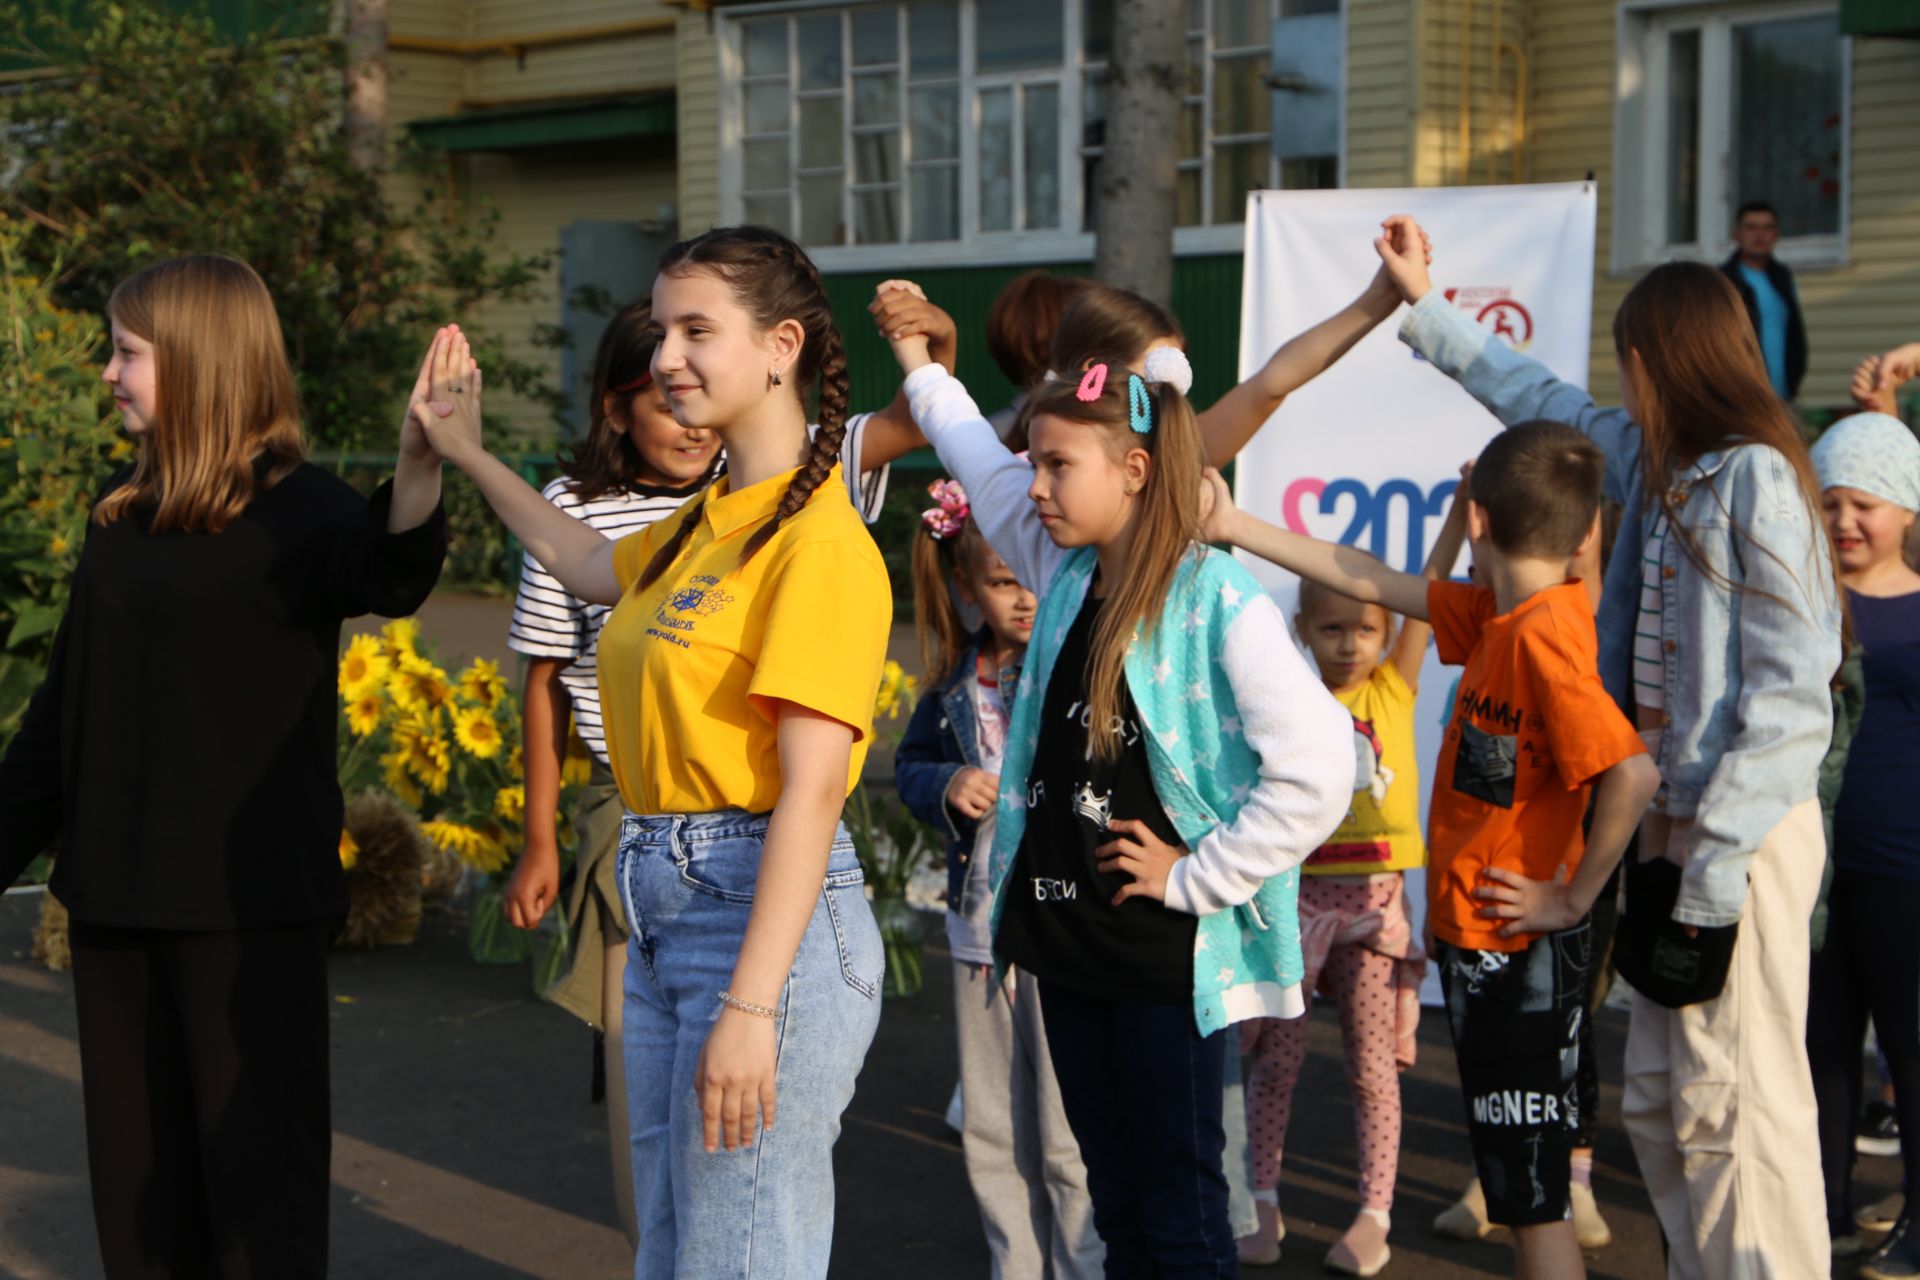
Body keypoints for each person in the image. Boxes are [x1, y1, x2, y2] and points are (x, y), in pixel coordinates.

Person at [412, 226, 894, 1278]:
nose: (666, 355)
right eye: (661, 327)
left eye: (695, 330)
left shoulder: (820, 544)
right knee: (675, 1249)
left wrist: (753, 1004)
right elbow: (581, 556)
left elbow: (811, 792)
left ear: (781, 347)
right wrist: (467, 452)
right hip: (667, 901)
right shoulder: (708, 519)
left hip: (761, 922)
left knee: (739, 1255)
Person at [1381, 219, 1845, 1279]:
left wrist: (1710, 874)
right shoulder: (1658, 457)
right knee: (1663, 1099)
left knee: (1738, 1108)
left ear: (1653, 358)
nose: (1616, 388)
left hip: (1738, 838)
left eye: (1624, 361)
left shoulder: (1755, 480)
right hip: (1672, 836)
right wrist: (1424, 307)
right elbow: (1542, 404)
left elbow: (1788, 704)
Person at [0, 255, 449, 1277]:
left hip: (251, 916)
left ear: (202, 360)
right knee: (141, 1206)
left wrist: (419, 464)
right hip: (116, 903)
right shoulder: (123, 509)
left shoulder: (306, 511)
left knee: (260, 1203)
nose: (109, 372)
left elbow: (389, 571)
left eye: (127, 352)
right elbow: (58, 717)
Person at [886, 329, 1355, 1273]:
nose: (1037, 487)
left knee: (1179, 1210)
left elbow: (1320, 765)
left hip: (1160, 962)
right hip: (1068, 954)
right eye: (1035, 465)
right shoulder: (1065, 569)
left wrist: (1199, 875)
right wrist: (922, 367)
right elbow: (977, 460)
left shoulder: (1212, 598)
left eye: (1058, 466)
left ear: (1135, 469)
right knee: (1118, 1204)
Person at [1204, 421, 1660, 1280]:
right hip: (1485, 943)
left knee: (1531, 1193)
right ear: (1587, 534)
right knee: (1522, 1182)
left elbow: (1630, 774)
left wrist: (1571, 897)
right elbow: (1370, 578)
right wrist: (1237, 527)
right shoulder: (1503, 611)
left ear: (1477, 522)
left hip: (1514, 950)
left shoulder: (1540, 638)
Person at [1235, 465, 1467, 1275]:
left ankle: (1375, 1214)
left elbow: (1430, 589)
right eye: (1331, 630)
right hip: (1298, 902)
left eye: (1364, 630)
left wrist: (1462, 516)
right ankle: (1257, 1198)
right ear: (1303, 631)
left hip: (1373, 903)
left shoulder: (1396, 688)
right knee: (1278, 1059)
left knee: (1374, 1068)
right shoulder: (1290, 697)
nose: (1350, 644)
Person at [894, 481, 1103, 1280]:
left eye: (1032, 578)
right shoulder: (951, 686)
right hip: (979, 938)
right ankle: (1015, 1266)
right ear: (966, 590)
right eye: (1003, 581)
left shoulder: (1080, 671)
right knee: (990, 1127)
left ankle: (1085, 1266)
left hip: (1062, 936)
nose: (1022, 599)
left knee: (1066, 1129)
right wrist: (946, 782)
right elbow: (911, 768)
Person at [1807, 412, 1920, 1276]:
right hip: (1812, 859)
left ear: (1907, 510)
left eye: (1865, 504)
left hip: (1905, 862)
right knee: (1823, 1037)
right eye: (1830, 501)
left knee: (1909, 1044)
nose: (1846, 520)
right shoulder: (1802, 598)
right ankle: (1825, 1205)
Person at [1719, 201, 1809, 402]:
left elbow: (1794, 333)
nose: (1759, 235)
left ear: (1776, 234)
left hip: (1784, 397)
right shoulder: (1723, 280)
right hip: (1742, 398)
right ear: (1737, 234)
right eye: (1751, 227)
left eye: (1767, 228)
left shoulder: (1782, 277)